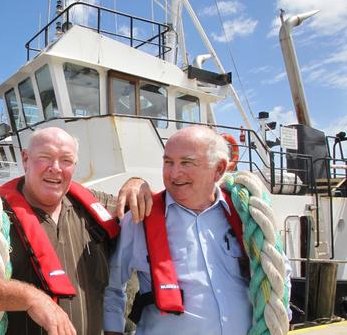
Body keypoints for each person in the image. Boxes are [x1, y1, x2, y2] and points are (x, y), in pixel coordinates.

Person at [0, 127, 150, 335]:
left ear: (74, 165)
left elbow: (159, 207)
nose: (55, 167)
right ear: (25, 159)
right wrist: (30, 298)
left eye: (66, 160)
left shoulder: (96, 207)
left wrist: (137, 183)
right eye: (45, 157)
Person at [103, 126, 291, 335]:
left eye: (186, 162)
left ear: (219, 169)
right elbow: (112, 289)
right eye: (168, 162)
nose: (174, 174)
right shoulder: (140, 220)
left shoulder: (246, 216)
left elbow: (280, 273)